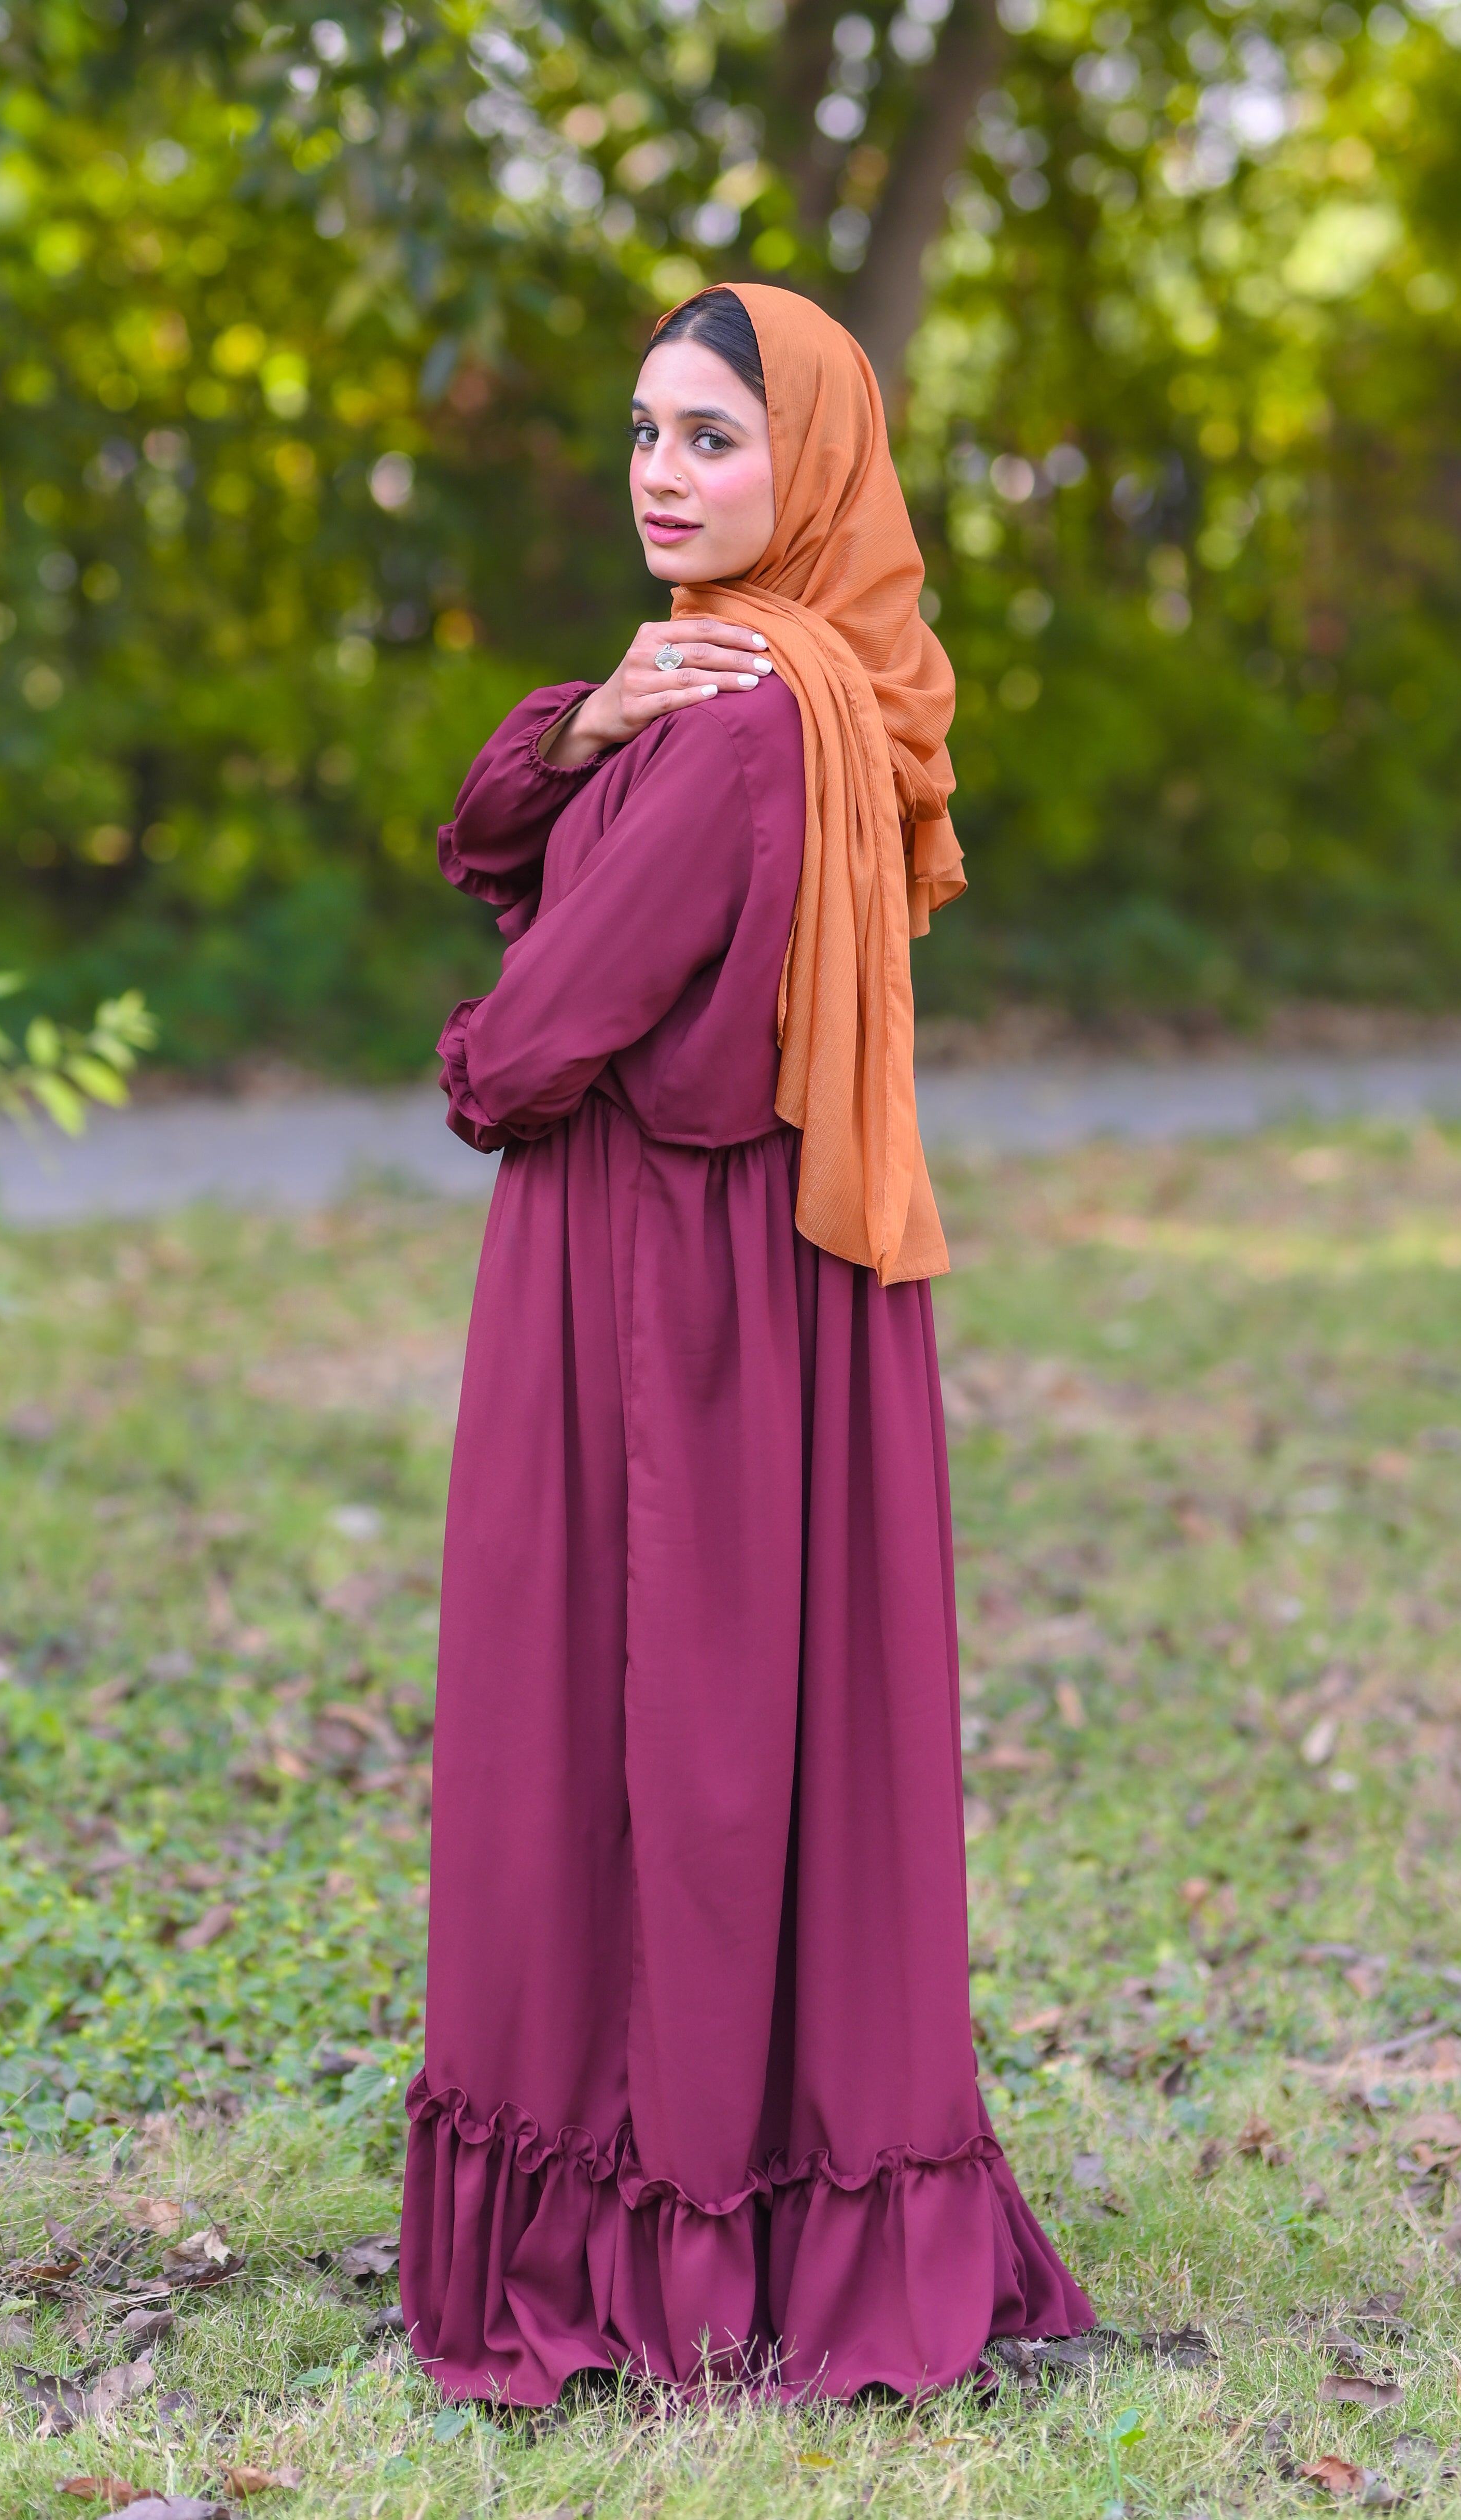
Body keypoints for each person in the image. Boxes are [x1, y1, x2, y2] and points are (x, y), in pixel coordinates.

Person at [399, 281, 1092, 2404]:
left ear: (815, 468)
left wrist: (472, 1037)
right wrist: (579, 722)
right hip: (772, 1284)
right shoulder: (797, 679)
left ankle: (657, 2226)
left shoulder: (735, 725)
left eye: (712, 437)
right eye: (643, 432)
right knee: (747, 1719)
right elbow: (496, 832)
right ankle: (774, 2210)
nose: (661, 474)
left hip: (652, 1286)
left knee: (649, 1728)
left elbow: (524, 1050)